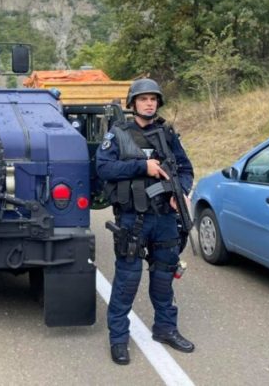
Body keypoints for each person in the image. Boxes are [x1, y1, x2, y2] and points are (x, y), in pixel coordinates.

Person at [96, 78, 195, 365]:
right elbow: (103, 168)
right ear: (133, 103)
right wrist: (143, 166)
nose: (149, 103)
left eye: (153, 99)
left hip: (165, 218)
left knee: (164, 279)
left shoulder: (167, 134)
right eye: (143, 99)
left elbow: (185, 168)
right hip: (133, 219)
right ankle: (118, 339)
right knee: (127, 281)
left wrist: (180, 192)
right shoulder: (118, 134)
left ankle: (165, 329)